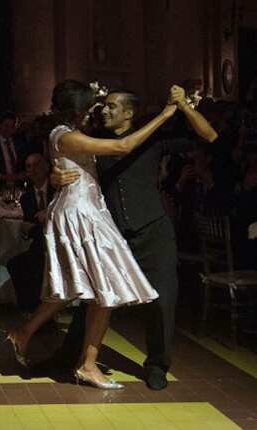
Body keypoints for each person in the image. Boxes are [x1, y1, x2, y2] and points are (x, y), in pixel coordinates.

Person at [5, 80, 180, 390]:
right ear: (76, 111)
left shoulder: (69, 132)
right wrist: (165, 114)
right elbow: (122, 146)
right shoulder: (67, 135)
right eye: (90, 108)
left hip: (86, 210)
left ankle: (31, 336)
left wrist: (57, 173)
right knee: (102, 289)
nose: (95, 112)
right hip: (81, 214)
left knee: (80, 289)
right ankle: (83, 363)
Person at [49, 86, 219, 390]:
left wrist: (184, 107)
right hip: (112, 233)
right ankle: (69, 356)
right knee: (95, 297)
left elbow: (209, 137)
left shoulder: (152, 137)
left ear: (129, 112)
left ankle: (157, 366)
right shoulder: (96, 141)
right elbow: (65, 163)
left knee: (162, 300)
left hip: (153, 230)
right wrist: (55, 176)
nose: (104, 110)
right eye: (103, 106)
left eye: (112, 106)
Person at [7, 153, 55, 314]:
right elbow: (30, 227)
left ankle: (38, 312)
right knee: (15, 263)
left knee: (34, 262)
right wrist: (34, 227)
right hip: (40, 242)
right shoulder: (26, 198)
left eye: (36, 165)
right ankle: (30, 310)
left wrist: (47, 213)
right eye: (28, 167)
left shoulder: (58, 189)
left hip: (59, 240)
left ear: (46, 167)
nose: (32, 170)